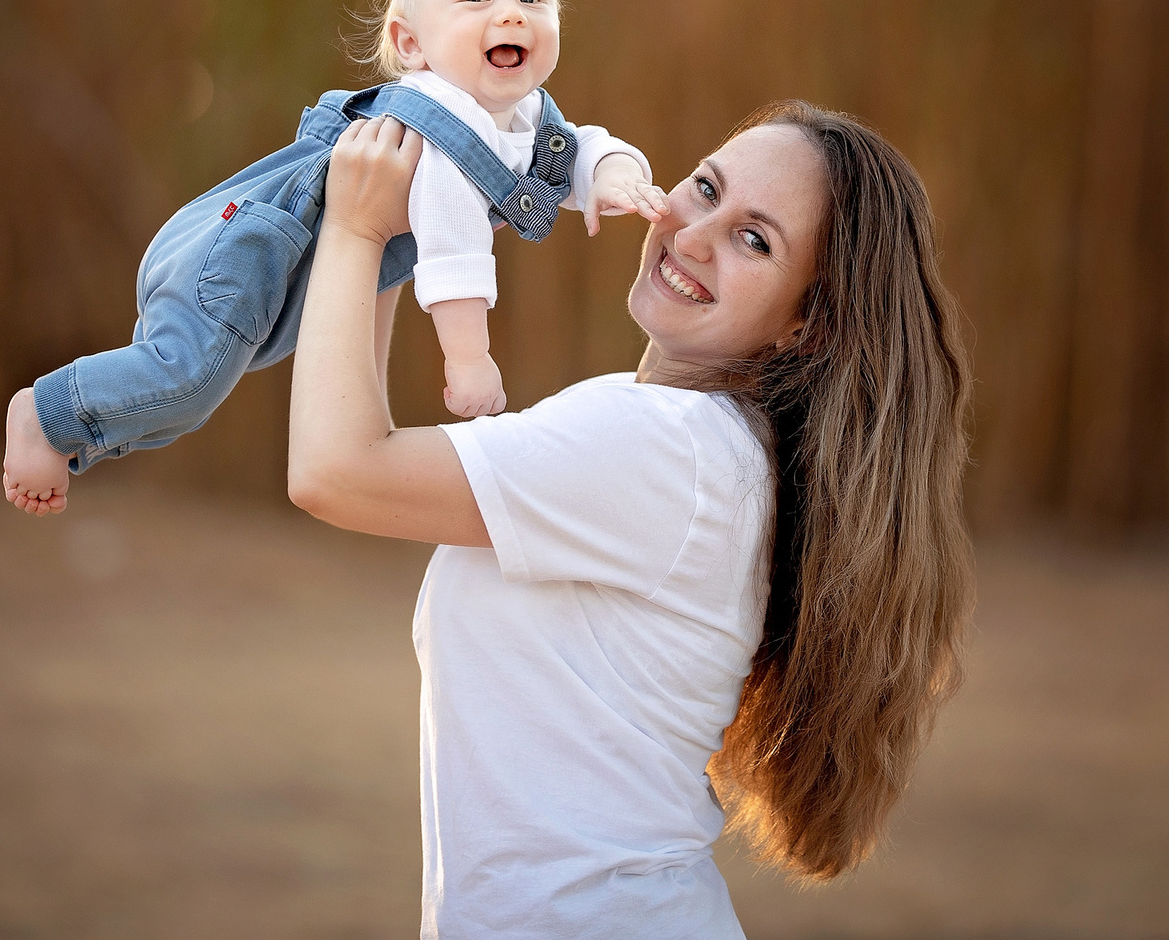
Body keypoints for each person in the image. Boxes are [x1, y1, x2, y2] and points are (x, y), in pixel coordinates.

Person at [286, 101, 973, 935]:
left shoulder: (671, 450)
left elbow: (337, 470)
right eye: (706, 188)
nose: (691, 236)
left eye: (755, 240)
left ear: (806, 322)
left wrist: (356, 232)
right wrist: (400, 238)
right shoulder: (669, 429)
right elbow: (364, 452)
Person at [1, 0, 662, 513]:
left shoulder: (519, 117)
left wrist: (614, 174)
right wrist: (469, 360)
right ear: (411, 44)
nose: (511, 13)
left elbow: (577, 146)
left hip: (269, 263)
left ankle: (73, 434)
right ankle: (45, 414)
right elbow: (452, 245)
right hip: (242, 250)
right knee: (189, 382)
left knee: (193, 396)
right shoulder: (440, 123)